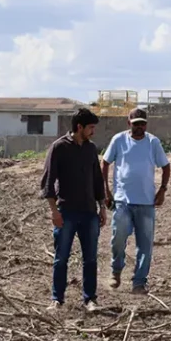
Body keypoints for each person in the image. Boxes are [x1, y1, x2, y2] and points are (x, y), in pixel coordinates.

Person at [41, 108, 108, 311]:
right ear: (79, 127)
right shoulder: (59, 148)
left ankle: (90, 299)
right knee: (61, 258)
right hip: (66, 212)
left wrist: (102, 207)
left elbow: (97, 180)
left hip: (89, 213)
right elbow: (48, 182)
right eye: (90, 127)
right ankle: (57, 300)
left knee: (90, 259)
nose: (93, 131)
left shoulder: (90, 149)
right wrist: (54, 211)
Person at [102, 108, 171, 294]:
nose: (139, 127)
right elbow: (105, 163)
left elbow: (165, 166)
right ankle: (116, 271)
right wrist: (106, 191)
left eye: (142, 123)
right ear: (128, 123)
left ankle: (139, 282)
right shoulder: (119, 140)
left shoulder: (153, 142)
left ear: (146, 124)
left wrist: (162, 190)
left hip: (146, 202)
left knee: (145, 244)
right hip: (122, 200)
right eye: (135, 124)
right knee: (118, 239)